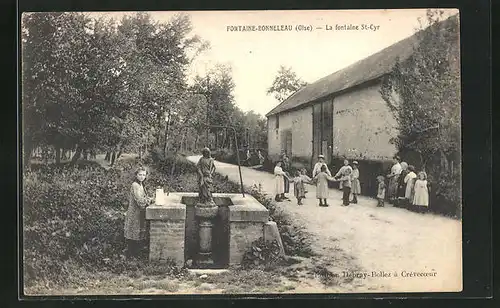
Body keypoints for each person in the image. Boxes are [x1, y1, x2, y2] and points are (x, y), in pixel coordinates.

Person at [124, 166, 154, 259]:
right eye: (140, 174)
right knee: (133, 233)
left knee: (138, 233)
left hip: (139, 213)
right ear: (136, 175)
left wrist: (149, 199)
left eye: (144, 175)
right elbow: (140, 201)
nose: (142, 177)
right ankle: (131, 255)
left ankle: (136, 255)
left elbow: (143, 198)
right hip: (134, 213)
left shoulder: (141, 185)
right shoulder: (135, 185)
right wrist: (148, 201)